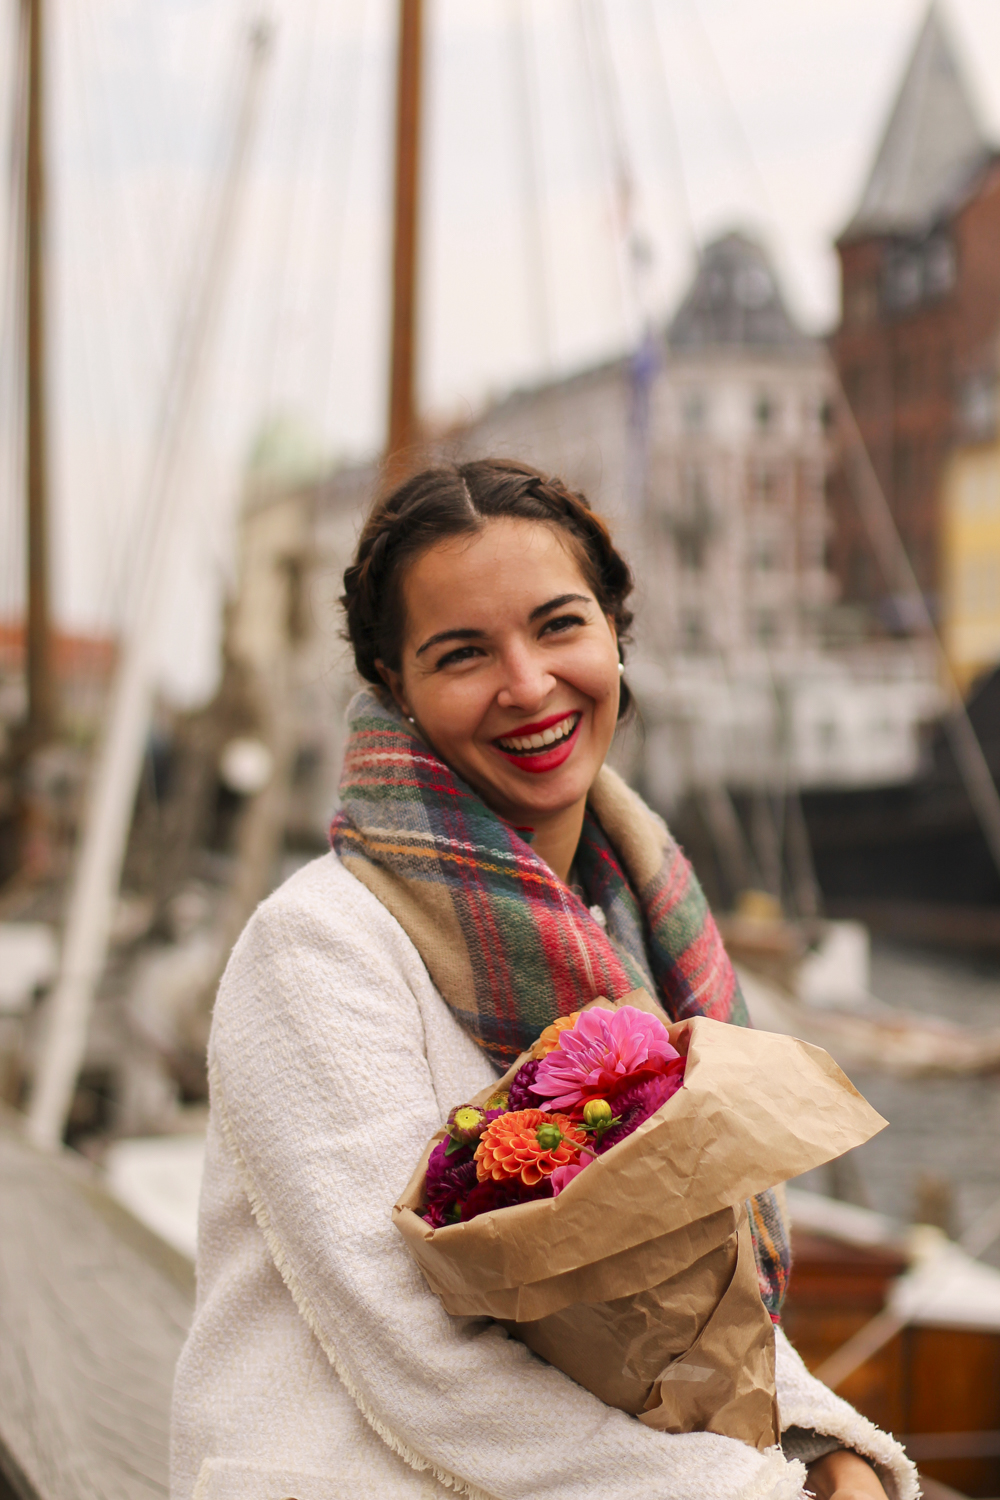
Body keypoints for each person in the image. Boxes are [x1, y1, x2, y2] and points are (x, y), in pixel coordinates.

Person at [171, 460, 915, 1500]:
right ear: (396, 687)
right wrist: (753, 1489)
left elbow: (684, 1291)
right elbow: (409, 1346)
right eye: (463, 652)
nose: (527, 684)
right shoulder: (317, 946)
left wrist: (812, 1436)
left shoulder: (636, 924)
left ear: (616, 631)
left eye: (558, 625)